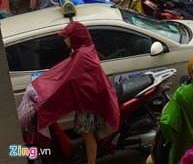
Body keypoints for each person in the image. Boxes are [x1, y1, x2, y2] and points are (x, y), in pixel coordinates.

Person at [18, 21, 120, 164]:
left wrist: (48, 94)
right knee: (86, 135)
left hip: (88, 104)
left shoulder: (82, 55)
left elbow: (68, 80)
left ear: (76, 37)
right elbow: (64, 73)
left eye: (67, 37)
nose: (65, 40)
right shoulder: (83, 50)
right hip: (87, 101)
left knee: (88, 136)